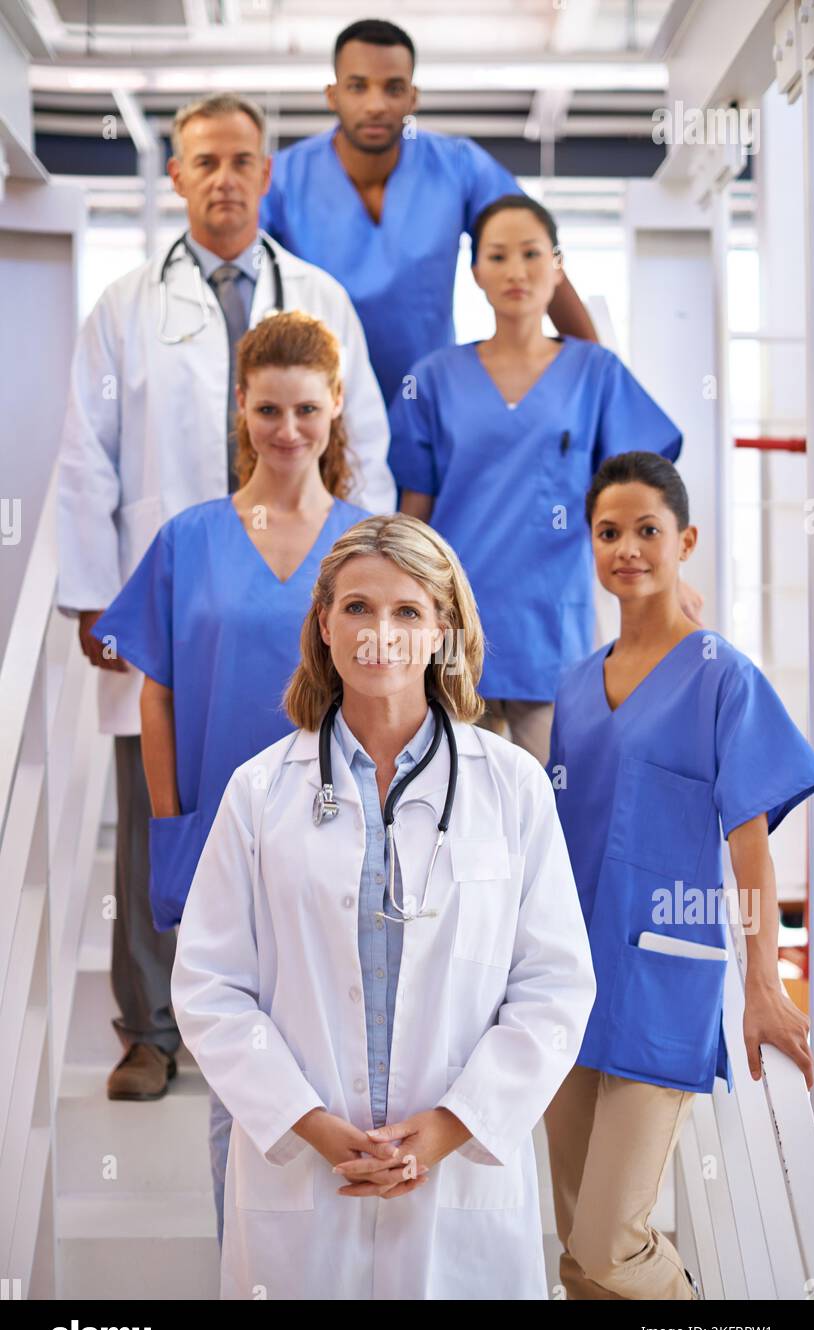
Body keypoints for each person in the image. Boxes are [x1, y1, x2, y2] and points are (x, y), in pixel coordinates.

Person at [56, 91, 393, 1104]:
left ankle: (291, 1024)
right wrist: (88, 595)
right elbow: (86, 457)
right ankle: (153, 1030)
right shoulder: (123, 307)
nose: (225, 176)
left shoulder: (321, 296)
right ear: (176, 175)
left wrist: (370, 581)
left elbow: (363, 439)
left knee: (303, 804)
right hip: (178, 595)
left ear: (267, 172)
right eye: (205, 160)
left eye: (243, 158)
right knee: (159, 806)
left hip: (301, 593)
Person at [170, 514, 597, 1300]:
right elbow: (210, 988)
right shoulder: (260, 792)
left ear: (443, 631)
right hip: (306, 1173)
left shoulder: (511, 788)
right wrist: (314, 1126)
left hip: (458, 1181)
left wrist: (446, 1130)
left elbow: (554, 988)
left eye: (408, 612)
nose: (380, 633)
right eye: (358, 608)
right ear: (324, 625)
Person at [91, 311, 368, 1234]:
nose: (286, 431)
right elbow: (157, 699)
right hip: (217, 835)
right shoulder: (191, 539)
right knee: (236, 1074)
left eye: (305, 410)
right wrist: (171, 824)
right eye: (267, 410)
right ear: (239, 413)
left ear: (334, 412)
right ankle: (244, 1263)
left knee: (340, 1059)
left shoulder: (366, 544)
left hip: (343, 835)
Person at [545, 450, 814, 1301]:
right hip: (568, 984)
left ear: (684, 539)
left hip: (664, 981)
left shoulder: (720, 676)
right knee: (573, 1252)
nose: (626, 547)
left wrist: (764, 984)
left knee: (610, 1246)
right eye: (607, 532)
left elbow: (747, 846)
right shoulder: (573, 683)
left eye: (646, 530)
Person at [391, 194, 693, 767]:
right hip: (454, 627)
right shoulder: (432, 379)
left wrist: (673, 577)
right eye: (497, 256)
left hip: (553, 629)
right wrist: (396, 607)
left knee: (557, 817)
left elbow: (640, 488)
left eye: (532, 254)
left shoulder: (595, 372)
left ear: (557, 266)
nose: (516, 270)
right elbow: (415, 512)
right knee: (448, 812)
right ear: (476, 271)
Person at [260, 18, 597, 405]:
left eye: (393, 88)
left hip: (425, 401)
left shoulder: (457, 166)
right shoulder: (282, 178)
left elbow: (535, 252)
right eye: (357, 86)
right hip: (313, 402)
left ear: (413, 98)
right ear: (332, 95)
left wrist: (598, 370)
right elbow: (238, 273)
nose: (376, 105)